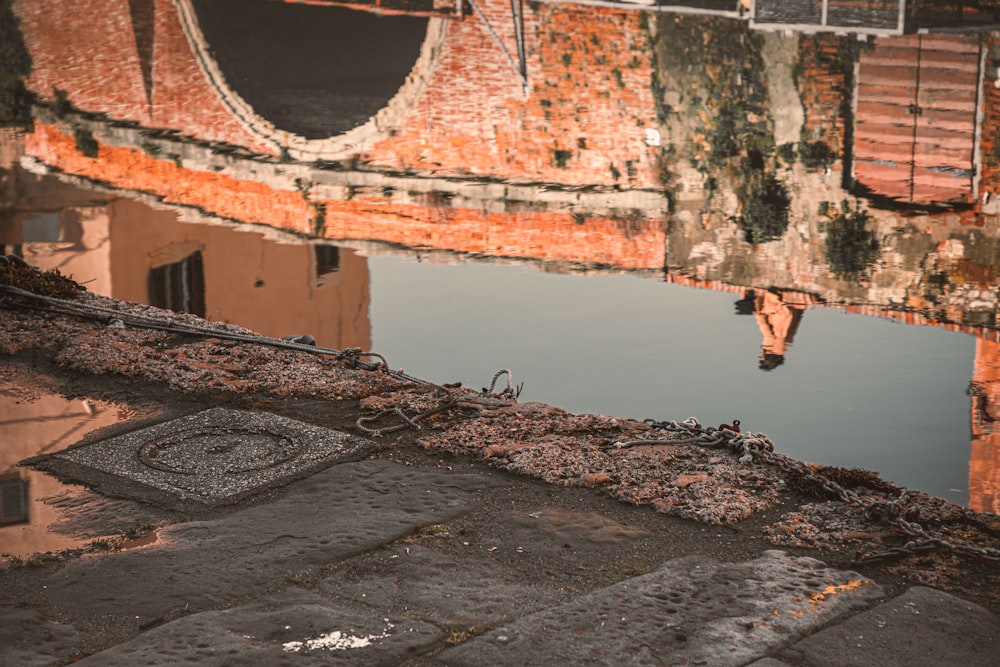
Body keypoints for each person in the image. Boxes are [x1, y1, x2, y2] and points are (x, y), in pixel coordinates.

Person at [735, 289, 805, 371]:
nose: (761, 355)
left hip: (787, 311)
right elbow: (767, 332)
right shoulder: (771, 348)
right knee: (748, 304)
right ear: (765, 358)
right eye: (762, 358)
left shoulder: (784, 346)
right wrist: (757, 314)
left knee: (749, 303)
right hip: (778, 310)